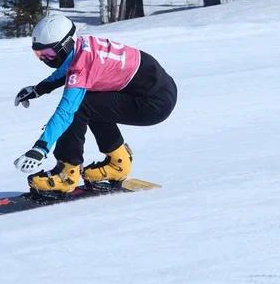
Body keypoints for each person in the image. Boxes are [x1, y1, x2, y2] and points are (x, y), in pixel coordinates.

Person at [13, 12, 177, 196]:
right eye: (39, 54)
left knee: (82, 106)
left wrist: (40, 148)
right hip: (157, 88)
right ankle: (119, 162)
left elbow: (65, 112)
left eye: (48, 54)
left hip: (153, 102)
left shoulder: (83, 66)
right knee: (94, 103)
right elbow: (67, 67)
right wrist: (39, 89)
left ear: (65, 45)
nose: (44, 59)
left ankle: (67, 174)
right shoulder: (81, 46)